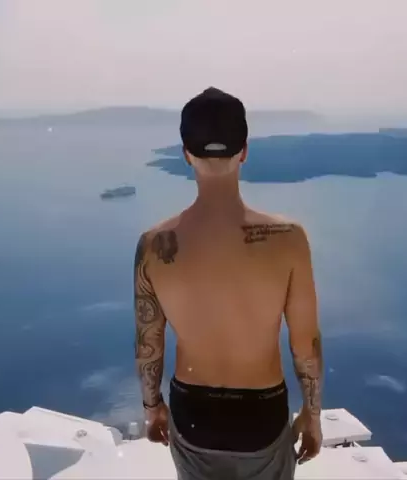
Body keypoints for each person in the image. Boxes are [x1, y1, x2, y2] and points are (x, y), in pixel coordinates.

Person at [134, 87, 323, 480]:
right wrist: (312, 414)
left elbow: (148, 341)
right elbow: (305, 343)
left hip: (192, 412)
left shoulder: (152, 245)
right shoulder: (289, 240)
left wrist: (152, 407)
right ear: (244, 152)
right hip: (261, 414)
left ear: (186, 154)